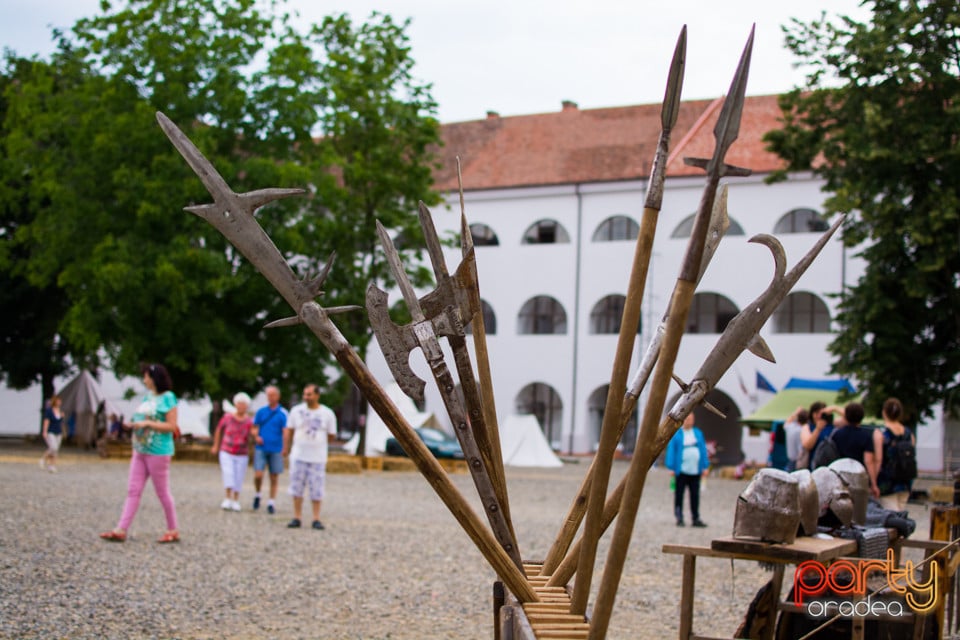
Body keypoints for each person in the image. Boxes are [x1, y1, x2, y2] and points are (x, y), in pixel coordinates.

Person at [100, 363, 180, 544]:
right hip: (140, 449)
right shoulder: (148, 397)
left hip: (158, 451)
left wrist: (149, 424)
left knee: (162, 492)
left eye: (146, 376)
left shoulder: (168, 398)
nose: (144, 380)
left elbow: (171, 426)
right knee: (133, 490)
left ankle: (172, 528)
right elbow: (142, 418)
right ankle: (121, 528)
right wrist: (133, 424)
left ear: (154, 378)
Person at [283, 383, 338, 530]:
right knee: (296, 487)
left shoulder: (327, 413)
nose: (306, 397)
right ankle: (297, 516)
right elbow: (289, 430)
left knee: (317, 488)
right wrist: (286, 448)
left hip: (317, 457)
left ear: (317, 395)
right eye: (305, 394)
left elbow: (332, 435)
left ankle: (316, 517)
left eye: (309, 394)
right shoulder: (296, 411)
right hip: (299, 455)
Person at [211, 392, 254, 512]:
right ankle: (227, 497)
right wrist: (216, 445)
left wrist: (255, 437)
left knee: (239, 476)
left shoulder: (249, 421)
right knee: (228, 473)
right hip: (227, 450)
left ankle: (236, 499)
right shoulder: (228, 417)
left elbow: (252, 435)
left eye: (244, 404)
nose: (241, 406)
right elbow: (219, 430)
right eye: (239, 404)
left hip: (242, 452)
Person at [665, 412, 710, 527]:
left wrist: (705, 466)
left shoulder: (698, 434)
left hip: (695, 470)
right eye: (687, 418)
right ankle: (679, 517)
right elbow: (671, 451)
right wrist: (671, 467)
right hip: (681, 470)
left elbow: (703, 450)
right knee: (679, 494)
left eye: (691, 419)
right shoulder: (677, 434)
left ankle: (696, 517)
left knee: (695, 495)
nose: (689, 421)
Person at [830, 402, 882, 497]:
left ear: (845, 416)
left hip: (839, 475)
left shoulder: (837, 434)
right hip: (858, 477)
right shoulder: (866, 436)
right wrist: (874, 484)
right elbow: (868, 460)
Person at [251, 385, 288, 514]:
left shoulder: (282, 413)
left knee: (274, 476)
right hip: (261, 446)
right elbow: (254, 427)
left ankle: (271, 501)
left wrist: (285, 447)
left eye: (272, 395)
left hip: (275, 448)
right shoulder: (261, 412)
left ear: (278, 396)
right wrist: (256, 436)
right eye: (268, 395)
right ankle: (258, 493)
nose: (270, 398)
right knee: (258, 474)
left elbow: (285, 431)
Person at [877, 397, 916, 511]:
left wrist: (873, 482)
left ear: (884, 412)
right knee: (901, 513)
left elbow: (878, 460)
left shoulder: (882, 433)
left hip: (887, 482)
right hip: (905, 481)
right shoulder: (909, 434)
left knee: (891, 518)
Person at [799, 402, 842, 470]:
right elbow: (807, 446)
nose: (819, 416)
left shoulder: (833, 425)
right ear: (812, 414)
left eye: (821, 414)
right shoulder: (807, 427)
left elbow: (852, 419)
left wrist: (835, 408)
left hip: (830, 464)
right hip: (813, 465)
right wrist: (818, 429)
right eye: (816, 413)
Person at [40, 395, 65, 473]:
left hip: (58, 432)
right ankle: (43, 458)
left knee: (55, 450)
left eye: (60, 401)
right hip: (51, 431)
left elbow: (60, 423)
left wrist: (61, 417)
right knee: (53, 447)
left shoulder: (60, 411)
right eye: (58, 401)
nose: (59, 402)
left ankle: (52, 466)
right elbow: (46, 421)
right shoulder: (49, 411)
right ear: (55, 401)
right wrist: (44, 431)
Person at [783, 407, 808, 472]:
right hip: (800, 463)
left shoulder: (791, 428)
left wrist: (796, 412)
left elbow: (787, 422)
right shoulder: (803, 431)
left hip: (790, 462)